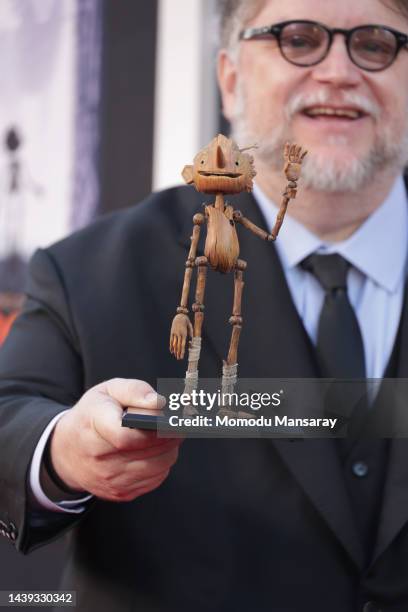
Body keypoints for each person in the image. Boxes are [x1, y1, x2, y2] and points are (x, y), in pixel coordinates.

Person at [1, 0, 408, 610]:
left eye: (376, 42)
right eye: (297, 39)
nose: (339, 72)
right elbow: (10, 419)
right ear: (230, 77)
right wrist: (65, 449)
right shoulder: (90, 270)